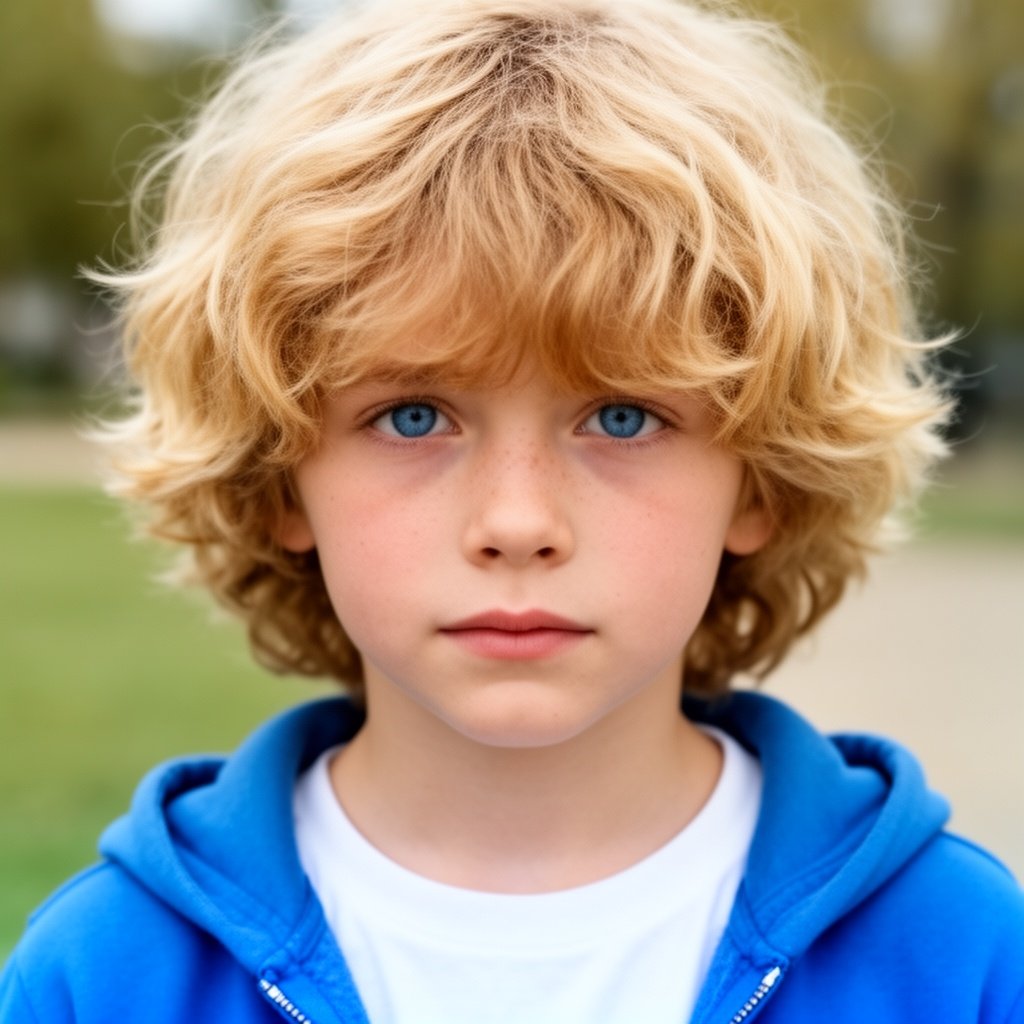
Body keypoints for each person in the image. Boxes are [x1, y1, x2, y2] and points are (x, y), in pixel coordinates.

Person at [3, 0, 1023, 1019]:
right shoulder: (105, 976)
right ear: (278, 474)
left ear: (761, 478)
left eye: (622, 417)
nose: (519, 521)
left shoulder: (959, 956)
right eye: (412, 417)